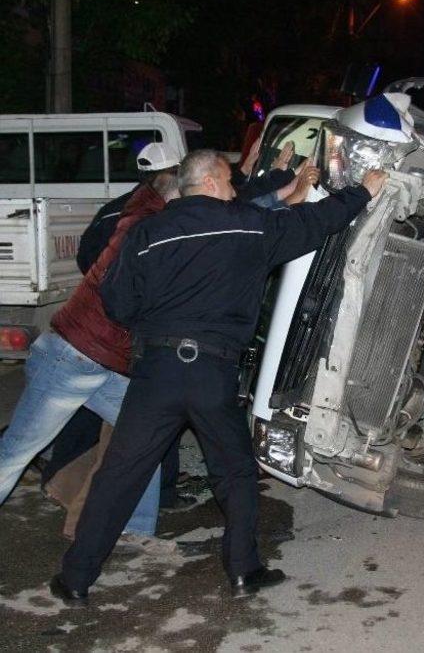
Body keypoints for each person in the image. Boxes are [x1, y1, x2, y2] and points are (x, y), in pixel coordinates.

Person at [51, 149, 388, 605]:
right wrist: (363, 191)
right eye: (230, 182)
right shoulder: (248, 224)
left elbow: (117, 302)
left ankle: (75, 578)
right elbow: (315, 221)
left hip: (155, 373)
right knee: (234, 473)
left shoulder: (146, 232)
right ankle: (244, 571)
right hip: (213, 372)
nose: (233, 190)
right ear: (210, 181)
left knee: (119, 476)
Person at [0, 144, 181, 535]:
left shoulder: (140, 210)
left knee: (145, 436)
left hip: (100, 361)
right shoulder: (146, 226)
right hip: (72, 358)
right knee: (15, 453)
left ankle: (134, 530)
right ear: (174, 184)